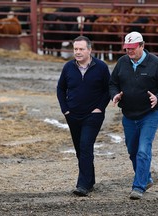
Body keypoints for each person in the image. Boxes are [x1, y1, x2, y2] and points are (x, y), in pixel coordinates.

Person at [109, 31, 158, 200]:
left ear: (142, 46)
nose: (129, 52)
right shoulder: (122, 63)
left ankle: (138, 187)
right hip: (129, 114)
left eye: (132, 48)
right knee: (132, 150)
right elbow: (113, 83)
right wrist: (115, 94)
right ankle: (146, 178)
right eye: (126, 48)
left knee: (143, 150)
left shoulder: (156, 64)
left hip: (150, 114)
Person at [57, 36, 110, 196]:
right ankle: (90, 180)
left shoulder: (101, 67)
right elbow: (60, 89)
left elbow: (108, 89)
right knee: (80, 150)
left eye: (81, 49)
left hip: (92, 116)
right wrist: (65, 110)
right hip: (73, 115)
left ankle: (82, 185)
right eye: (75, 49)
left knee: (86, 146)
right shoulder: (68, 67)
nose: (78, 52)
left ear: (89, 50)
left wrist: (100, 108)